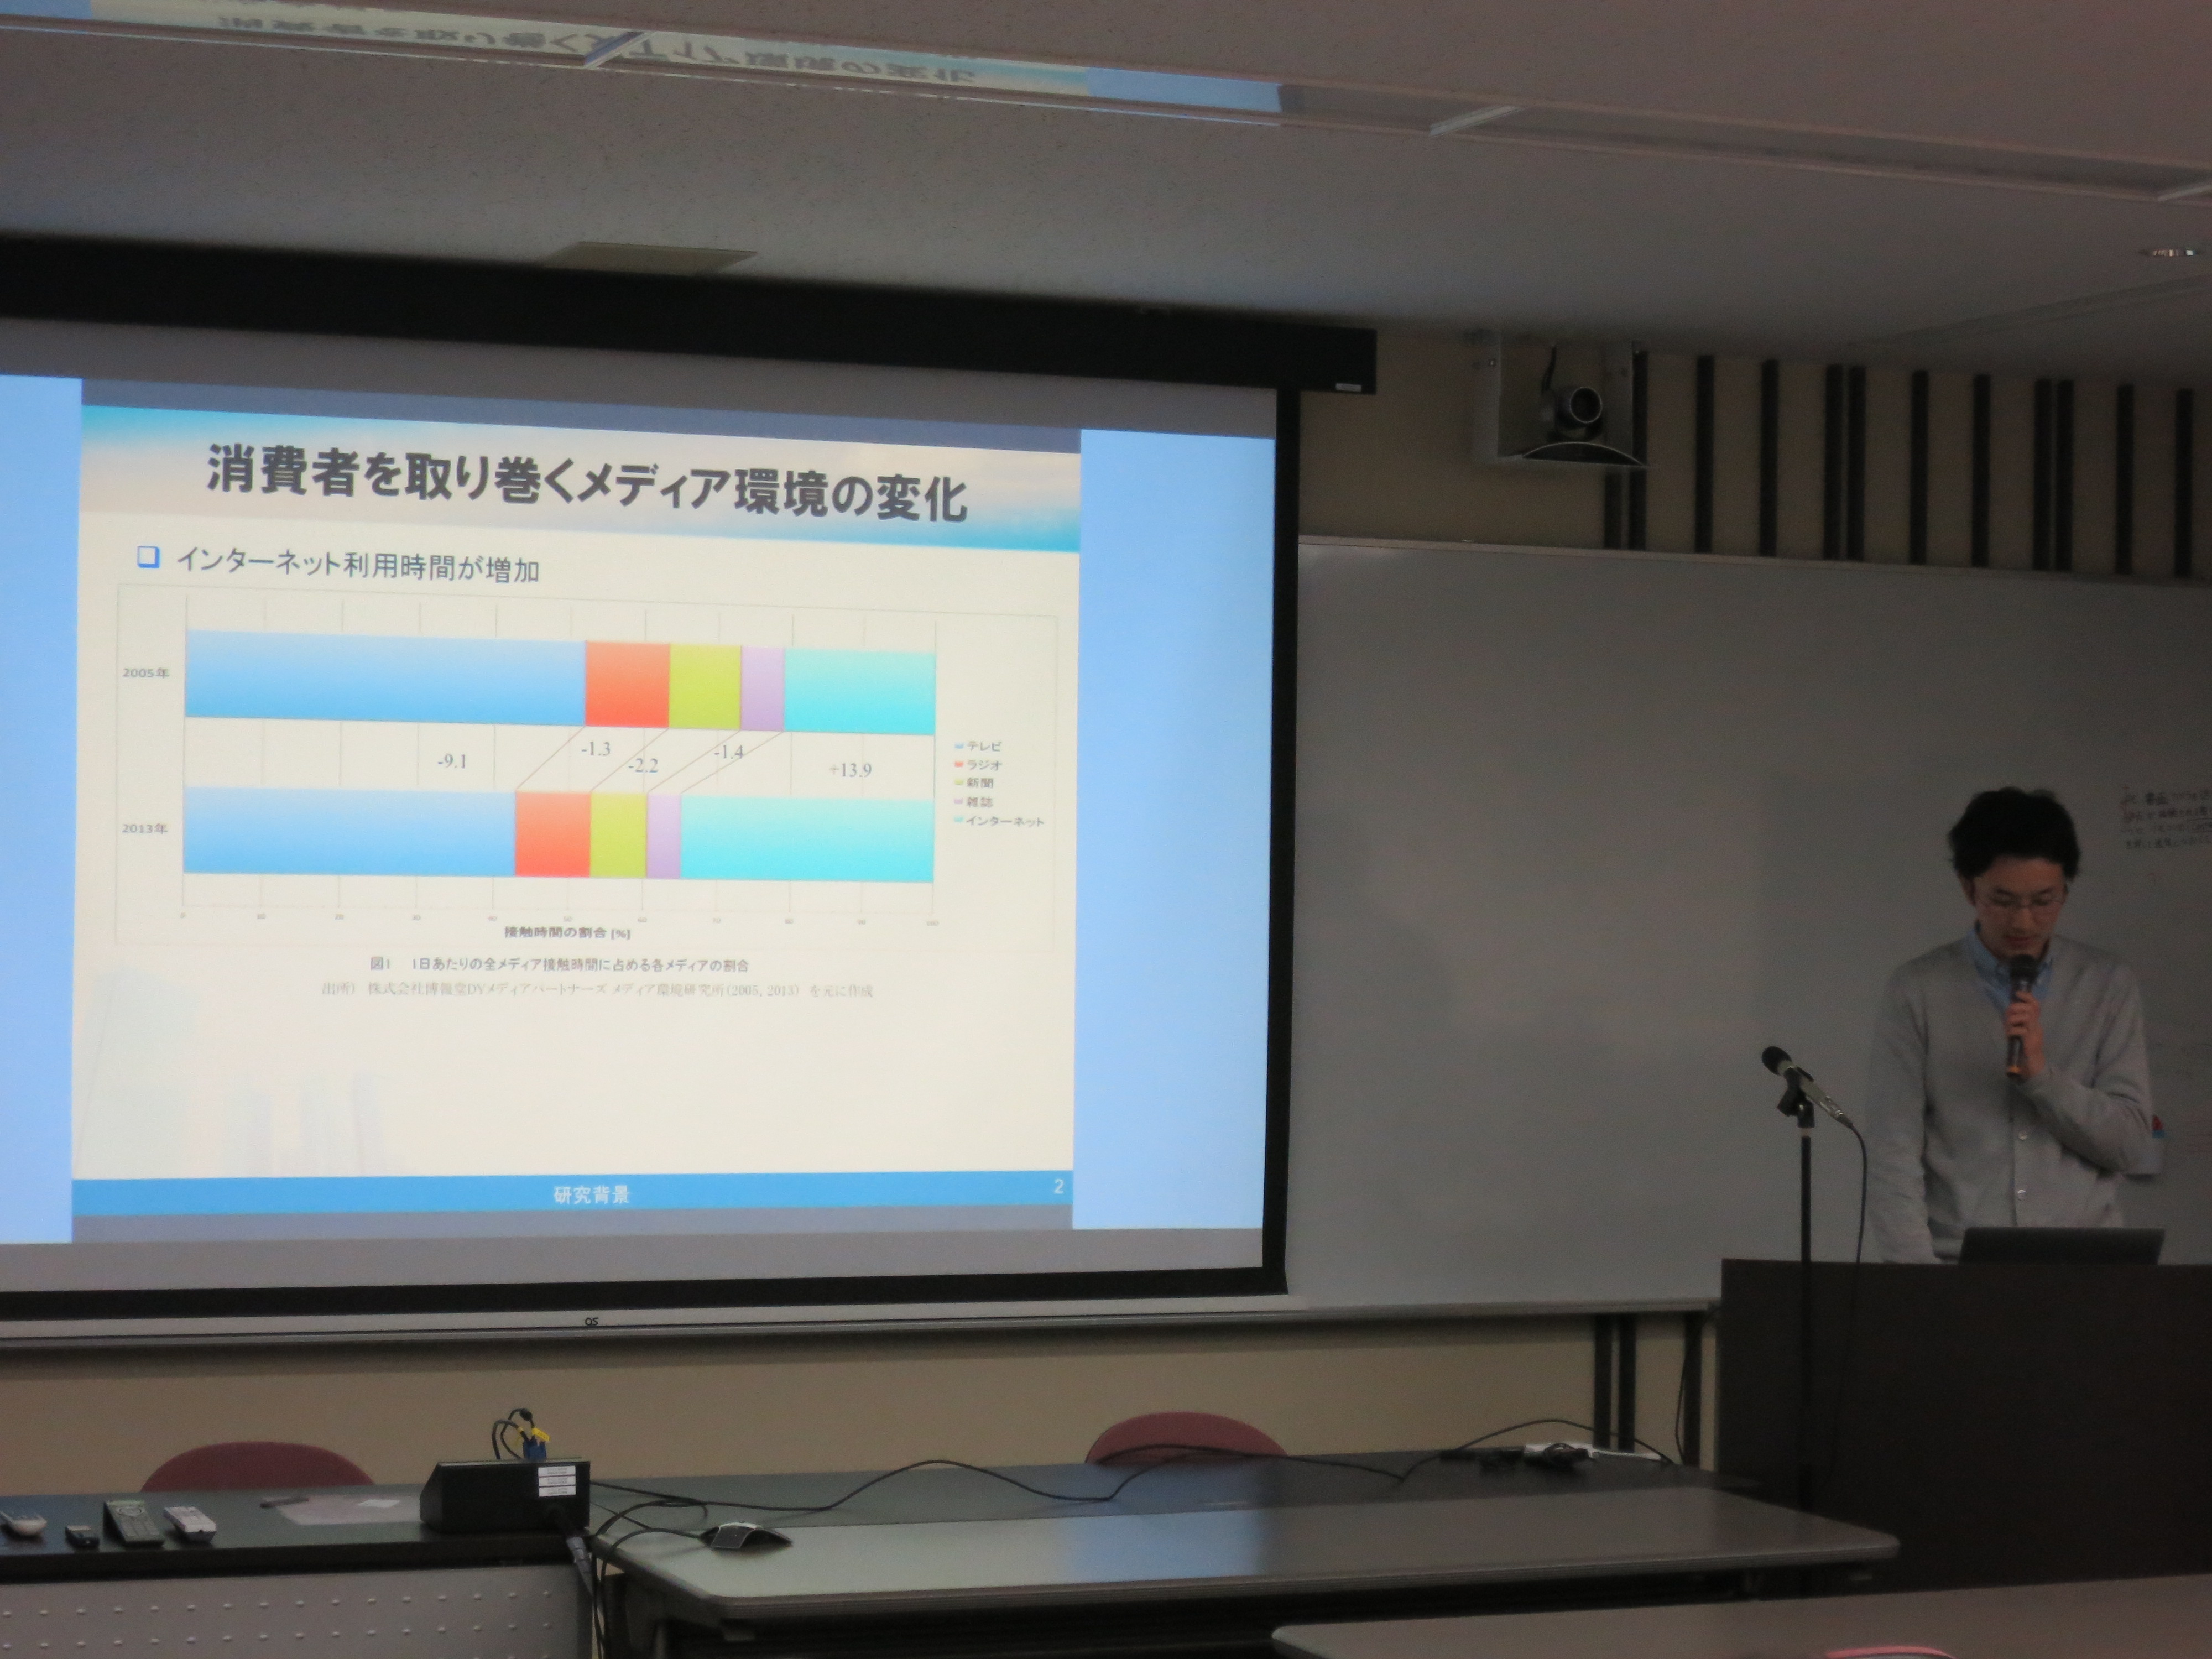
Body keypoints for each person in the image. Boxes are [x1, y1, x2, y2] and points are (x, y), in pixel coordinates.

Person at [1866, 787, 2153, 1264]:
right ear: (1969, 888)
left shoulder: (2106, 984)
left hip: (2087, 1267)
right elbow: (1892, 1153)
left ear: (2065, 890)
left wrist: (2043, 1080)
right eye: (2003, 900)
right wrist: (1918, 1282)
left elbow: (2130, 1146)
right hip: (1959, 1266)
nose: (2024, 921)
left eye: (2044, 901)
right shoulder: (1918, 989)